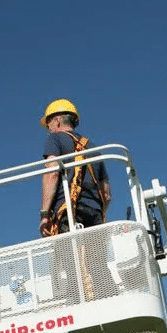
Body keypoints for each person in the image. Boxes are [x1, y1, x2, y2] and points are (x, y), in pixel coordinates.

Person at [38, 99, 111, 237]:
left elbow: (51, 173)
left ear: (58, 120)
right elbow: (106, 195)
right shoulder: (94, 149)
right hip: (95, 215)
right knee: (95, 258)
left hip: (69, 213)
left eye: (49, 123)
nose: (49, 129)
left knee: (67, 258)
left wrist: (45, 215)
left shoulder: (55, 138)